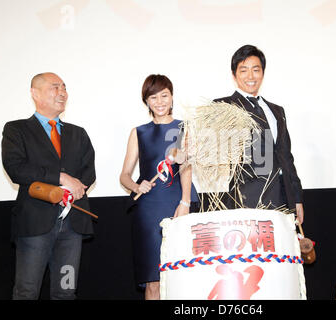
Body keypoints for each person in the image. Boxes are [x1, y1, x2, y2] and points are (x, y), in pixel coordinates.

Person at [1, 72, 96, 300]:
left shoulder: (78, 133)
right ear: (35, 93)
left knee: (66, 290)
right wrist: (61, 178)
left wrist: (75, 185)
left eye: (64, 87)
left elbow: (88, 172)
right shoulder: (17, 130)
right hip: (34, 226)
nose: (62, 92)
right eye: (55, 87)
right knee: (27, 292)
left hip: (72, 228)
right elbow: (15, 168)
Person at [120, 74, 197, 300]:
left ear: (172, 97)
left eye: (164, 95)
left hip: (177, 205)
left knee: (179, 274)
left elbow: (186, 168)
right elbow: (124, 175)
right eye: (154, 97)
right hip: (148, 210)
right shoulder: (139, 132)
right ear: (146, 101)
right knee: (153, 279)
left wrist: (184, 203)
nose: (160, 101)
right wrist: (136, 185)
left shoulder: (184, 128)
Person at [214, 44, 304, 223]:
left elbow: (286, 156)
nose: (250, 76)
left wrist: (297, 198)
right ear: (234, 75)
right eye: (244, 70)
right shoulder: (223, 107)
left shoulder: (277, 111)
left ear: (263, 73)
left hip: (282, 198)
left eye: (256, 70)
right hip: (245, 200)